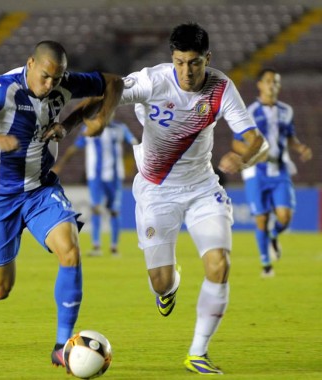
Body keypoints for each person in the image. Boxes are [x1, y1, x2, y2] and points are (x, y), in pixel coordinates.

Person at [65, 23, 269, 374]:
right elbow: (105, 91)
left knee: (219, 265)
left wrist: (242, 157)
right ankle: (168, 287)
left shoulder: (221, 88)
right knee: (160, 282)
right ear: (171, 59)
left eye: (193, 63)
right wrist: (71, 125)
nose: (186, 72)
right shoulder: (154, 80)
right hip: (156, 191)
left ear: (208, 58)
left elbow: (256, 140)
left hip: (203, 188)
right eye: (179, 62)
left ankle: (197, 352)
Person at [0, 40, 122, 369]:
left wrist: (86, 121)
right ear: (31, 63)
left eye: (56, 80)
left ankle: (62, 345)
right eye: (45, 77)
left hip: (40, 190)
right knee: (2, 287)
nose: (49, 86)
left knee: (70, 250)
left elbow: (113, 82)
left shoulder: (63, 82)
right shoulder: (3, 90)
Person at [233, 68, 313, 278]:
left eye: (276, 82)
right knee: (260, 219)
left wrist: (300, 148)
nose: (273, 85)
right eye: (269, 81)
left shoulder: (286, 111)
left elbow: (289, 137)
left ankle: (274, 235)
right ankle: (266, 264)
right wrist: (253, 154)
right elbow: (237, 142)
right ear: (260, 84)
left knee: (285, 217)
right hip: (256, 172)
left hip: (280, 169)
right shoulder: (248, 112)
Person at [52, 115, 138, 257]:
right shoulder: (89, 129)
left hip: (115, 176)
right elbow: (75, 147)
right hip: (95, 176)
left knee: (114, 211)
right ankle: (96, 246)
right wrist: (60, 164)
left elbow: (134, 143)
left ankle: (114, 247)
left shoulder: (120, 129)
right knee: (96, 209)